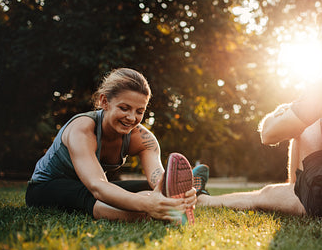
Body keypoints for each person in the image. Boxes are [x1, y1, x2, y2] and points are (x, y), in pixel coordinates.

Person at [198, 5, 322, 222]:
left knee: (266, 193)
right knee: (310, 122)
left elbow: (268, 134)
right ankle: (296, 191)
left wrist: (280, 113)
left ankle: (202, 201)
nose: (319, 46)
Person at [26, 68, 206, 223]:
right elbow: (97, 186)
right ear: (104, 101)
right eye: (124, 108)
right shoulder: (82, 129)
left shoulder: (142, 138)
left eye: (139, 111)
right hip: (47, 187)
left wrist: (172, 191)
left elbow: (156, 179)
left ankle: (174, 204)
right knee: (103, 198)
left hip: (90, 186)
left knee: (150, 190)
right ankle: (157, 214)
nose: (131, 118)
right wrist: (147, 204)